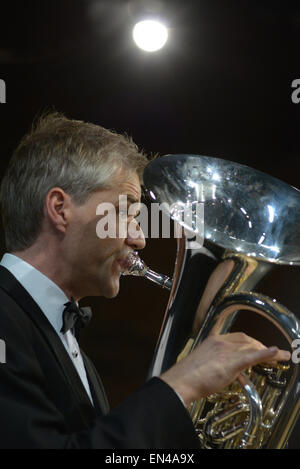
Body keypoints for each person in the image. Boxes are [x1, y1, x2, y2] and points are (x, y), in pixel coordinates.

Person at [0, 112, 290, 449]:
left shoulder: (73, 348)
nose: (140, 240)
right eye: (126, 212)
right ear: (60, 208)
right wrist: (181, 385)